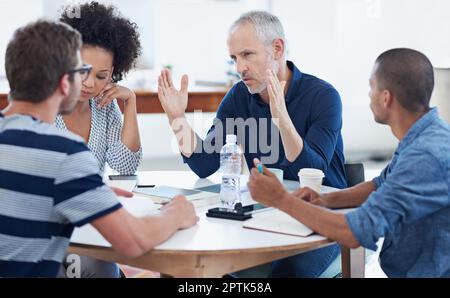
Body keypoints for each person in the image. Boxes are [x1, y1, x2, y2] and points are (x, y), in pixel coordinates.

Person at [0, 20, 198, 278]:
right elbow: (134, 241)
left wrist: (87, 189)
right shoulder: (65, 153)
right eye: (80, 70)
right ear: (64, 83)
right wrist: (175, 214)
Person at [157, 11, 346, 277]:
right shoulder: (239, 97)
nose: (239, 68)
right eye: (234, 58)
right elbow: (204, 162)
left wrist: (282, 118)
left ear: (277, 48)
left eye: (247, 55)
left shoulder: (323, 96)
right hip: (266, 213)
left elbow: (311, 172)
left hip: (323, 216)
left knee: (287, 273)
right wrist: (177, 118)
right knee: (200, 265)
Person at [247, 48, 450, 278]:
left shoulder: (426, 156)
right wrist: (324, 199)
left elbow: (354, 232)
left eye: (371, 87)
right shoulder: (425, 135)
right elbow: (379, 185)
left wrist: (280, 199)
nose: (369, 95)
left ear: (386, 98)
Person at [56, 1, 142, 175]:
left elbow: (126, 167)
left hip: (95, 201)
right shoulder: (44, 105)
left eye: (101, 76)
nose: (89, 84)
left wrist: (130, 101)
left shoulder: (104, 105)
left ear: (113, 72)